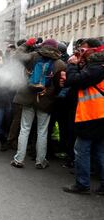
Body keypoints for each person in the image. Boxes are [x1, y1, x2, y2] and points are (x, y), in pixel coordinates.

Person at [11, 39, 66, 169]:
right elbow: (59, 85)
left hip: (28, 97)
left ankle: (19, 159)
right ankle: (40, 161)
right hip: (45, 100)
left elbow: (16, 56)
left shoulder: (33, 56)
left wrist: (26, 44)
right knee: (42, 131)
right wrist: (50, 93)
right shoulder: (60, 64)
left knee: (25, 129)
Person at [62, 43, 104, 194]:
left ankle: (82, 184)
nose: (80, 52)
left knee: (81, 149)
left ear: (93, 50)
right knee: (99, 151)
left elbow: (75, 81)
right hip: (98, 114)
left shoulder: (97, 67)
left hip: (93, 115)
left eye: (83, 49)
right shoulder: (97, 66)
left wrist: (72, 66)